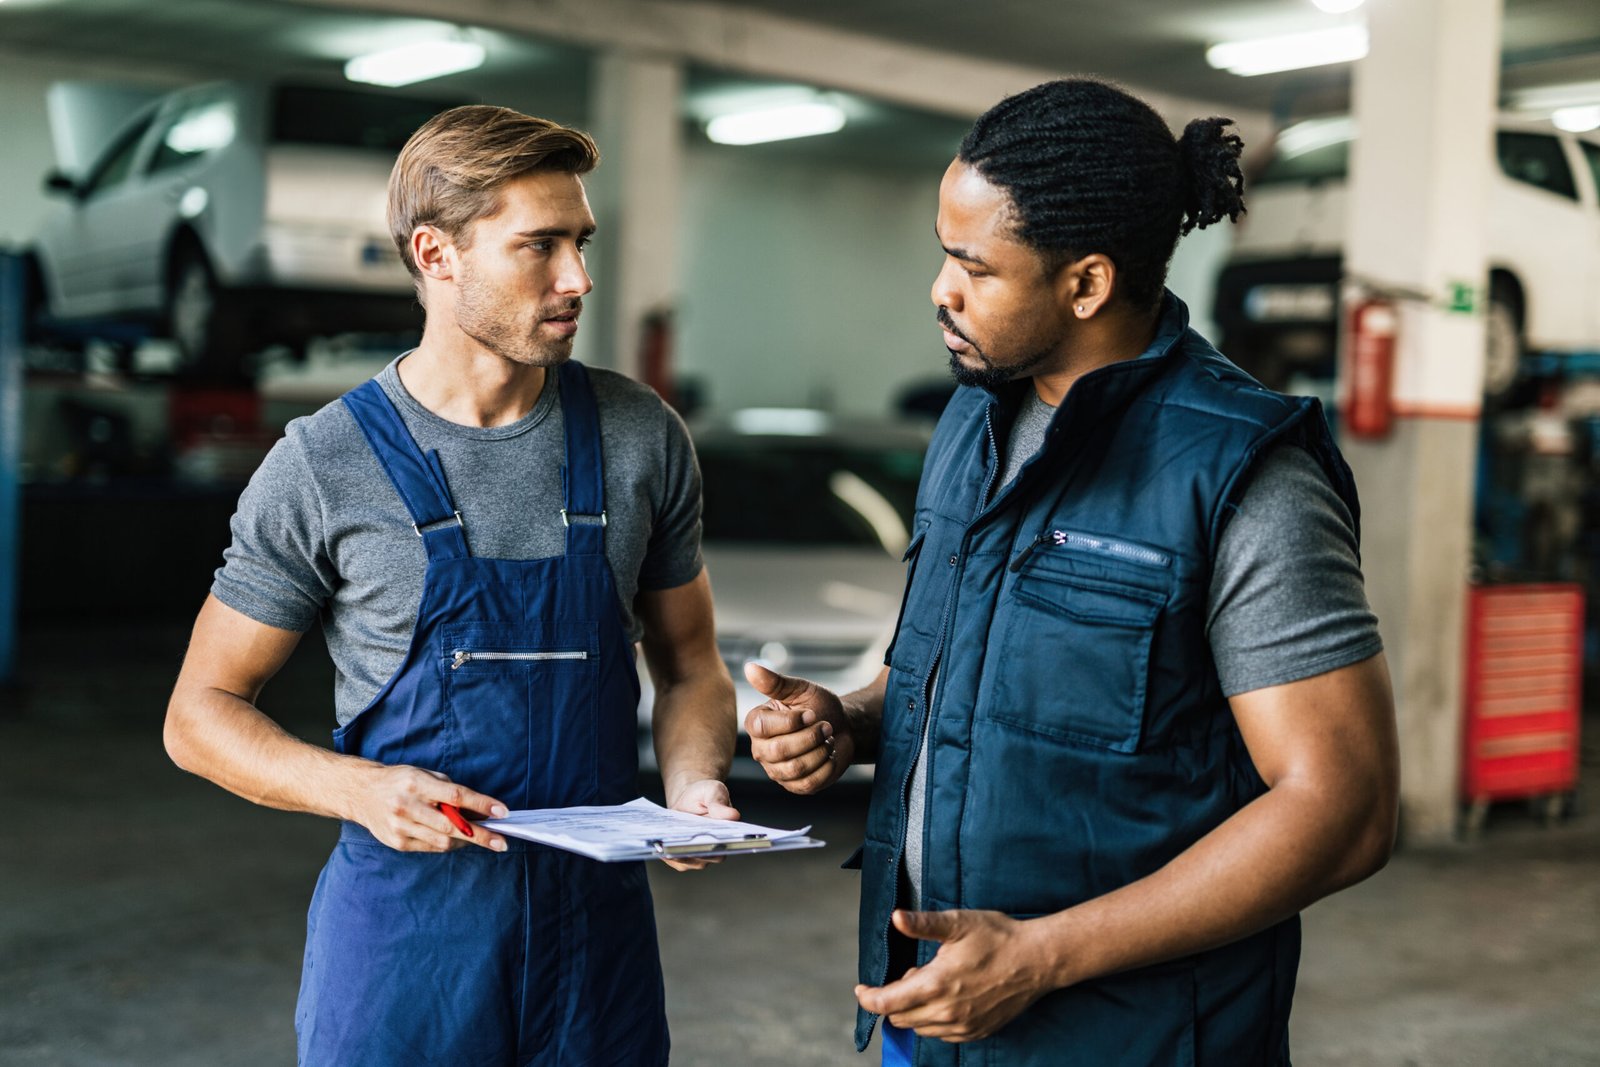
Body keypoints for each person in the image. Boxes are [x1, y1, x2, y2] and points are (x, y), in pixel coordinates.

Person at [745, 78, 1399, 1066]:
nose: (939, 288)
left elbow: (1342, 808)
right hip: (927, 1023)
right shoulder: (973, 419)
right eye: (941, 253)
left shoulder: (1241, 475)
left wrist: (1042, 955)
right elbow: (982, 672)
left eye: (973, 265)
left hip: (1130, 1040)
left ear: (1085, 284)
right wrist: (856, 718)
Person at [163, 105, 738, 1066]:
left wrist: (690, 782)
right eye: (539, 247)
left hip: (596, 950)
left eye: (581, 243)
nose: (579, 279)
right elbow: (200, 713)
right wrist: (357, 789)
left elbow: (691, 666)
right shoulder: (325, 462)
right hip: (408, 948)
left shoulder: (642, 436)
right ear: (437, 254)